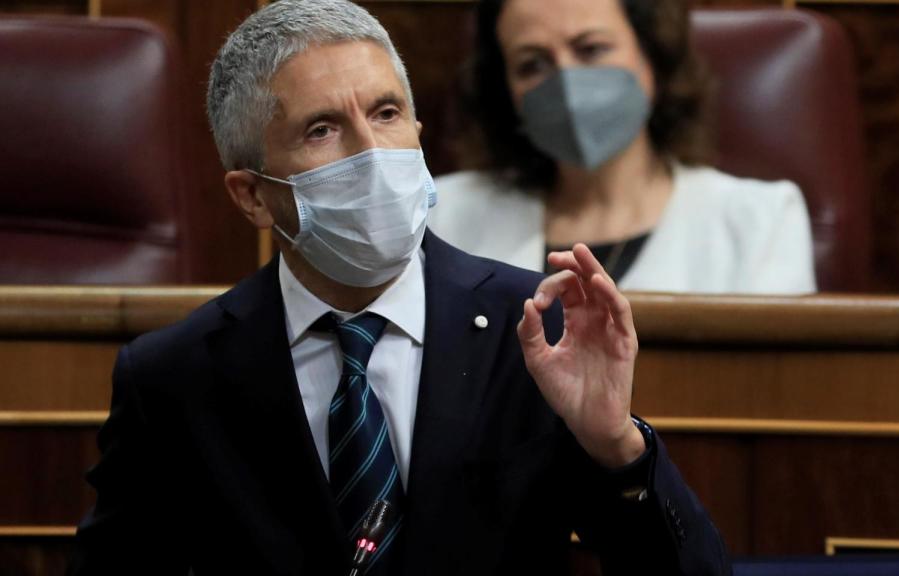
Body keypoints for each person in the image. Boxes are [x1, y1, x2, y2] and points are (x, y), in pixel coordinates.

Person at [68, 1, 728, 575]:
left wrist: (617, 447)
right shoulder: (175, 377)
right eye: (322, 129)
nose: (371, 153)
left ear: (417, 131)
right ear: (253, 196)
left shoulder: (532, 328)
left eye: (386, 113)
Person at [428, 0, 816, 294]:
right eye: (532, 64)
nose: (567, 84)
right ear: (505, 91)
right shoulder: (442, 215)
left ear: (653, 56)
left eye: (591, 49)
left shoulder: (759, 222)